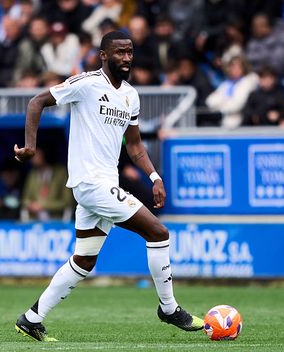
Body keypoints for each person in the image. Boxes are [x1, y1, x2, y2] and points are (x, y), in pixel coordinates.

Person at [13, 30, 203, 342]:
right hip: (91, 184)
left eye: (130, 52)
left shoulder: (131, 95)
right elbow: (37, 102)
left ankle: (31, 318)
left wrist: (154, 177)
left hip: (102, 185)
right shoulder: (86, 84)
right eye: (119, 53)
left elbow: (136, 146)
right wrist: (31, 146)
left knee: (84, 260)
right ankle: (169, 308)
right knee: (158, 232)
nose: (126, 58)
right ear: (104, 55)